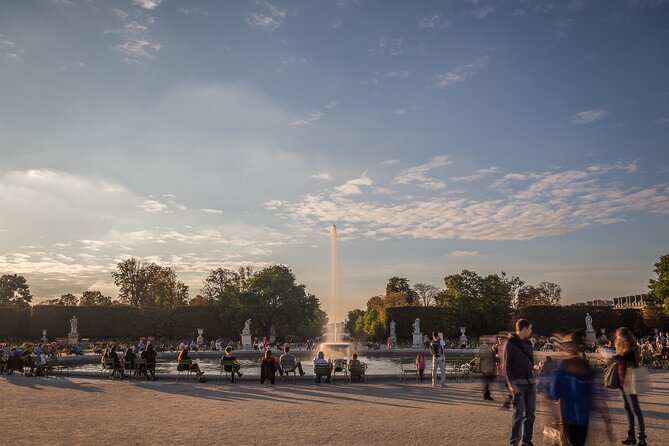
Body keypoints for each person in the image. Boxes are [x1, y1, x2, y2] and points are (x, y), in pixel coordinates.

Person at [550, 331, 613, 446]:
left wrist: (561, 424)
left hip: (575, 420)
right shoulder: (584, 367)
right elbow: (597, 397)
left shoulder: (564, 367)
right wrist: (607, 421)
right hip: (576, 420)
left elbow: (557, 397)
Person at [504, 319, 536, 446]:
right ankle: (514, 442)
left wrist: (534, 368)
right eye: (530, 328)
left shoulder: (528, 343)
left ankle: (526, 441)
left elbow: (531, 361)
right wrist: (511, 385)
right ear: (524, 328)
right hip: (518, 384)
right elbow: (506, 367)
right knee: (518, 414)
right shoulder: (510, 343)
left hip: (530, 382)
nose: (531, 331)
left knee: (530, 414)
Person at [615, 327, 647, 446]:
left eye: (617, 335)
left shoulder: (632, 349)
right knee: (627, 409)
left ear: (623, 336)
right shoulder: (622, 349)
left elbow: (629, 360)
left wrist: (616, 356)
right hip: (622, 382)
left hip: (630, 381)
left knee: (635, 409)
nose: (616, 337)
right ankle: (631, 435)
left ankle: (642, 437)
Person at [479, 335, 496, 401]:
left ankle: (486, 395)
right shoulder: (486, 348)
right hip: (486, 367)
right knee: (486, 382)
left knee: (486, 382)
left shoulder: (488, 347)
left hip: (486, 366)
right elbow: (489, 357)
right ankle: (486, 395)